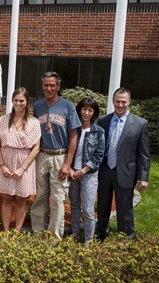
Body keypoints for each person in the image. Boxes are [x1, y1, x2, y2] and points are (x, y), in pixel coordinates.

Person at [30, 71, 81, 239]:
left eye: (53, 85)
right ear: (42, 86)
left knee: (58, 199)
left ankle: (54, 238)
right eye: (46, 85)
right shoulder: (38, 106)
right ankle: (38, 233)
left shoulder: (68, 106)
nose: (49, 88)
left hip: (60, 156)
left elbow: (74, 135)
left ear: (58, 86)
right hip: (42, 155)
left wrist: (67, 163)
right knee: (40, 196)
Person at [96, 87, 150, 241]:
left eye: (123, 102)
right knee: (102, 205)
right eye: (117, 101)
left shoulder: (140, 124)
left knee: (124, 207)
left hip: (126, 172)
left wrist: (143, 176)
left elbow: (144, 154)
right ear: (113, 102)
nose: (120, 105)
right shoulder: (103, 121)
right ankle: (101, 234)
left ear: (129, 102)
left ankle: (126, 237)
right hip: (105, 170)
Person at [0, 87, 41, 231]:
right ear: (12, 101)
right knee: (6, 198)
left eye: (22, 100)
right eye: (16, 100)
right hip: (6, 163)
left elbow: (36, 148)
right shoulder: (3, 119)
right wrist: (2, 165)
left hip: (24, 164)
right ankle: (7, 232)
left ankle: (17, 231)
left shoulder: (33, 122)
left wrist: (22, 168)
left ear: (27, 102)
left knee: (22, 199)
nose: (18, 103)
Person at [68, 98, 105, 243]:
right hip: (72, 173)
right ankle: (75, 233)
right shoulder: (73, 130)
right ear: (79, 110)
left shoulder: (99, 132)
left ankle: (89, 240)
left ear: (94, 113)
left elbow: (99, 155)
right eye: (84, 109)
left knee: (88, 209)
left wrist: (83, 171)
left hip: (88, 175)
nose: (87, 113)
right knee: (75, 205)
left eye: (90, 110)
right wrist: (70, 168)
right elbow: (67, 150)